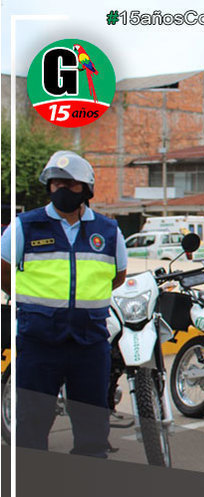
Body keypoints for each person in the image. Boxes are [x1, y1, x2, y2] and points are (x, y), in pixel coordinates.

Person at [1, 151, 128, 457]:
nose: (62, 189)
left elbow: (118, 276)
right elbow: (4, 272)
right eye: (56, 182)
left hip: (90, 343)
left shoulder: (108, 231)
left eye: (70, 184)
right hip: (38, 343)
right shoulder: (23, 226)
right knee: (31, 426)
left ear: (86, 189)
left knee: (93, 429)